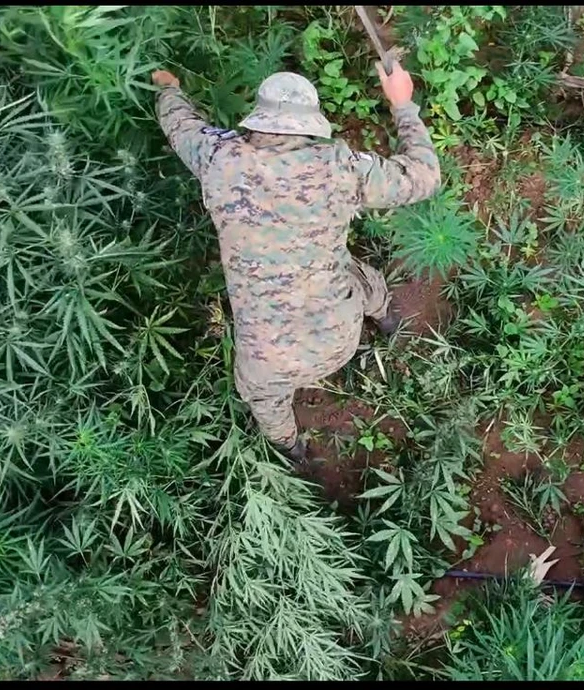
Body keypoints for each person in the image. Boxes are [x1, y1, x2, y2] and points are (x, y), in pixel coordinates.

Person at [151, 62, 441, 462]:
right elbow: (425, 177)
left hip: (269, 360)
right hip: (341, 336)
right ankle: (387, 320)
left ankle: (292, 450)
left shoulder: (218, 157)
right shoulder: (342, 168)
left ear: (259, 119)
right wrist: (403, 105)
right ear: (310, 126)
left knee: (264, 399)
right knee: (361, 276)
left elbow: (180, 125)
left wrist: (169, 89)